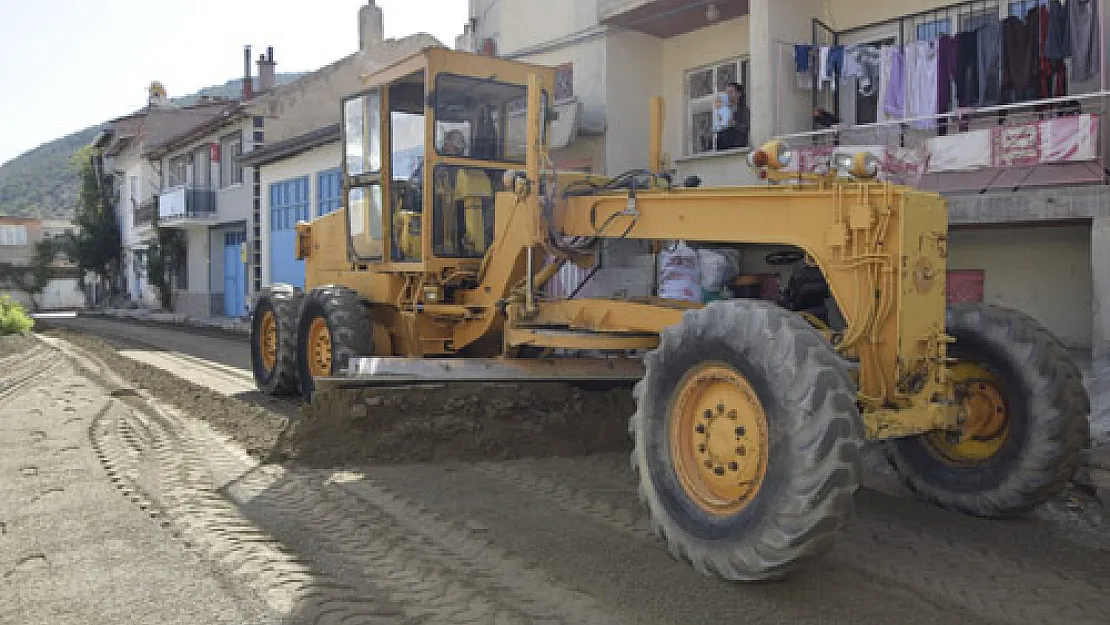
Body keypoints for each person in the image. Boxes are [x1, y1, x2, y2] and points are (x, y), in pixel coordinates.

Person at [715, 82, 750, 150]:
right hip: (723, 149)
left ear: (739, 94)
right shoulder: (723, 111)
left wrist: (734, 124)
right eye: (727, 93)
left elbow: (747, 129)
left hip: (738, 148)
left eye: (731, 92)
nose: (728, 95)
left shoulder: (744, 111)